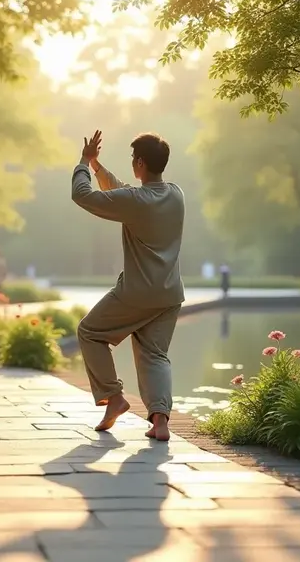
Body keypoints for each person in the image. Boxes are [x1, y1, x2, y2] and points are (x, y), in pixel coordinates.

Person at [71, 130, 185, 442]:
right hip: (170, 293)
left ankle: (114, 396)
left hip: (137, 293)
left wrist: (83, 162)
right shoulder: (175, 194)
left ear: (140, 163)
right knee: (155, 354)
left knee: (90, 333)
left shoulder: (136, 201)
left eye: (134, 159)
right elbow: (122, 193)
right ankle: (160, 420)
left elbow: (83, 196)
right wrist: (97, 167)